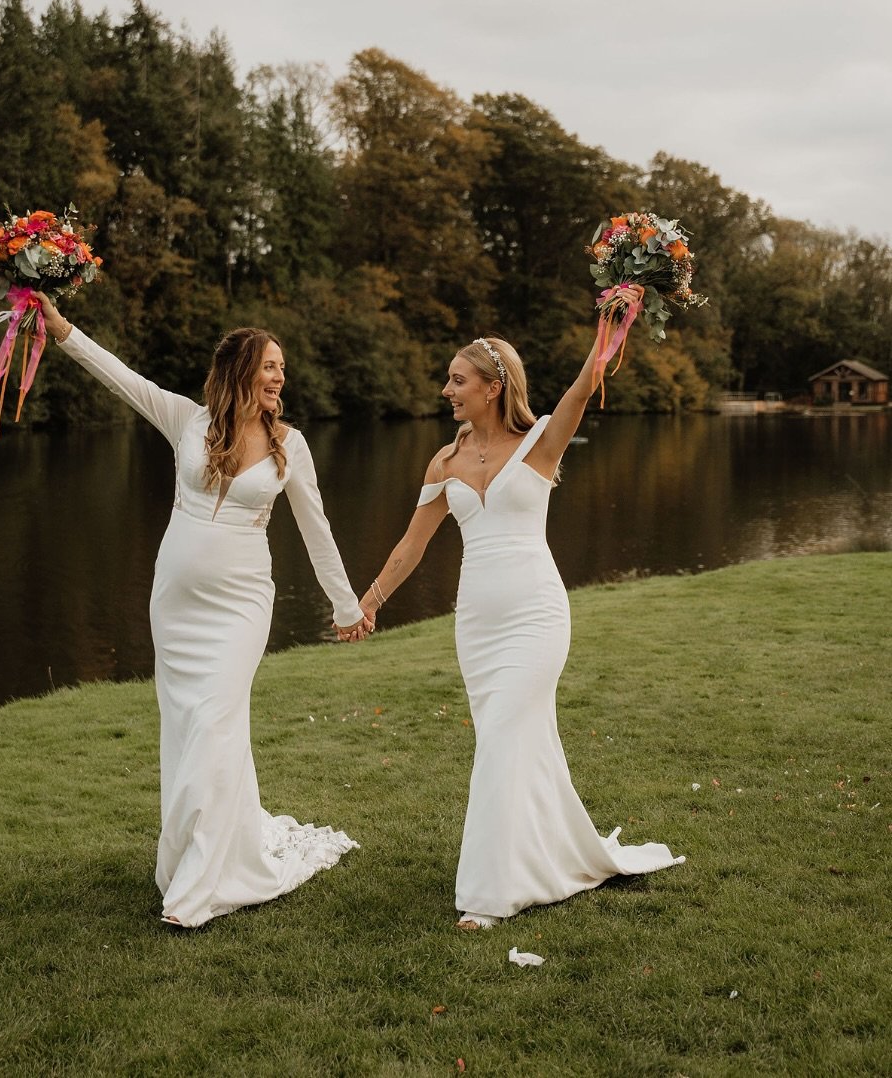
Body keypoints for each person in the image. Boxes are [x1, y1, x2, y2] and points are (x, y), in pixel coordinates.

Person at [36, 294, 373, 929]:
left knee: (217, 718)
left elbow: (317, 527)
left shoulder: (288, 445)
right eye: (269, 365)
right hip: (177, 601)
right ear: (239, 370)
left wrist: (345, 605)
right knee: (190, 727)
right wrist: (62, 332)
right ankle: (195, 850)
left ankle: (196, 889)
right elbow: (120, 376)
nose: (280, 377)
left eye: (281, 367)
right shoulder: (188, 422)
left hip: (243, 602)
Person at [353, 300, 684, 929]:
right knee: (514, 741)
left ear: (492, 386)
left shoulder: (539, 444)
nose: (446, 389)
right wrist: (369, 603)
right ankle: (550, 853)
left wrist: (615, 328)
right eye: (448, 379)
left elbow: (585, 388)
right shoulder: (443, 463)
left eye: (457, 379)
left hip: (536, 614)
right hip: (477, 625)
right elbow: (412, 544)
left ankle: (488, 895)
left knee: (504, 735)